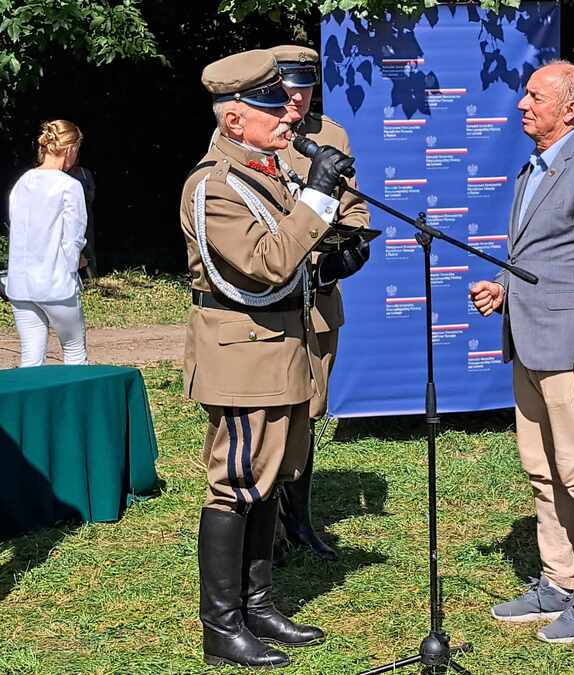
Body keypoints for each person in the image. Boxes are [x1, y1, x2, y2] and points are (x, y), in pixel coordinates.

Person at [181, 49, 355, 668]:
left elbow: (301, 251)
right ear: (234, 120)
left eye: (286, 104)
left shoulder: (266, 171)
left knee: (269, 478)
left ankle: (258, 605)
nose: (289, 115)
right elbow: (271, 260)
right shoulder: (214, 186)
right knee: (234, 485)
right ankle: (221, 625)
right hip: (243, 355)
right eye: (271, 108)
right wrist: (318, 195)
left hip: (282, 346)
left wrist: (336, 250)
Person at [469, 60, 574, 645]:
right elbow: (546, 259)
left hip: (571, 355)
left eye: (536, 96)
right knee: (542, 471)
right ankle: (558, 581)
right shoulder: (532, 168)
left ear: (570, 109)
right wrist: (503, 288)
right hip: (530, 346)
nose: (522, 104)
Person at [270, 44, 371, 560]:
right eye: (289, 90)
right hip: (270, 297)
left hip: (318, 296)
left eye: (306, 89)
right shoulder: (252, 133)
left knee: (310, 406)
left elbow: (352, 206)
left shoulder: (331, 135)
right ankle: (264, 528)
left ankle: (300, 521)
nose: (298, 100)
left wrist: (348, 249)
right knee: (271, 409)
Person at [6, 120, 89, 367]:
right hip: (56, 285)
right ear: (70, 149)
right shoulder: (70, 186)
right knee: (74, 351)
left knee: (31, 357)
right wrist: (76, 265)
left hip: (20, 285)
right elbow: (73, 238)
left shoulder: (23, 182)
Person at [68, 163, 97, 278]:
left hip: (86, 213)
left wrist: (83, 197)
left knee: (88, 245)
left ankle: (92, 278)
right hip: (70, 214)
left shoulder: (85, 173)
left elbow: (92, 193)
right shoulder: (64, 174)